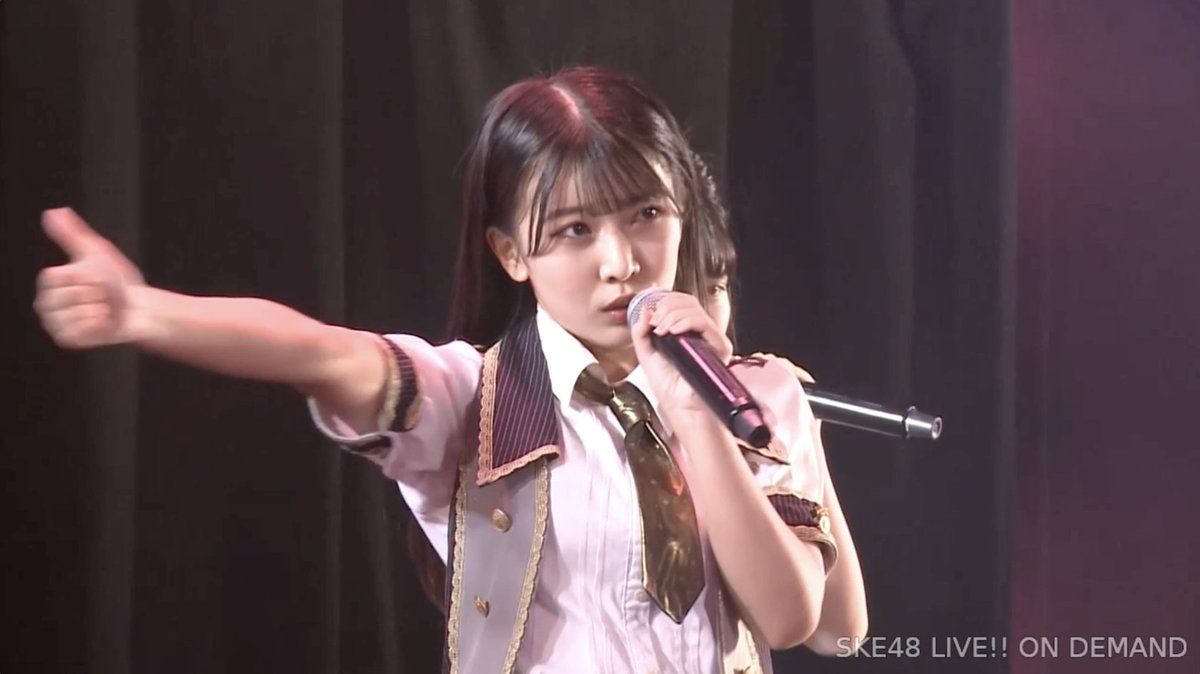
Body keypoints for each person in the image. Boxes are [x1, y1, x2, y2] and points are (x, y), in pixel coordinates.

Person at [34, 66, 843, 673]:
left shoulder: (750, 394)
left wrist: (695, 413)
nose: (620, 263)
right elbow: (322, 352)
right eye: (573, 230)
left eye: (647, 214)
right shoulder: (474, 399)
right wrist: (145, 312)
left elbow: (791, 619)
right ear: (511, 254)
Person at [694, 199, 869, 656]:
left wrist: (803, 434)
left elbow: (839, 633)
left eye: (715, 289)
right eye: (680, 292)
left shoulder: (754, 416)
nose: (703, 319)